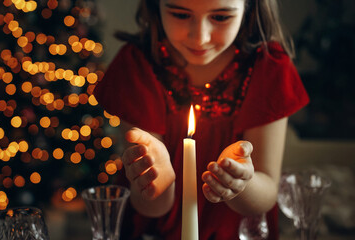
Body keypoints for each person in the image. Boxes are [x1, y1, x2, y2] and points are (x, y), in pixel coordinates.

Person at [94, 0, 309, 239]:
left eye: (220, 17)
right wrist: (157, 183)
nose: (200, 38)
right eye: (180, 14)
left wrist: (240, 183)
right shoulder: (137, 66)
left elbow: (266, 194)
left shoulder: (268, 67)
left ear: (250, 8)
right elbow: (149, 207)